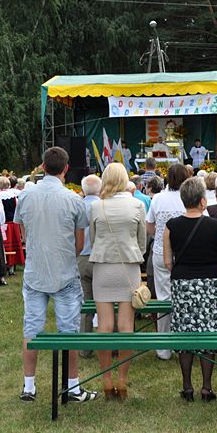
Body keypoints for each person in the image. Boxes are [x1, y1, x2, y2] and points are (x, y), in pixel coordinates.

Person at [15, 147, 98, 403]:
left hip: (35, 271)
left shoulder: (26, 197)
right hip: (64, 273)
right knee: (69, 331)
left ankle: (29, 387)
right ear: (65, 169)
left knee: (31, 329)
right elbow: (79, 242)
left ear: (42, 166)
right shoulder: (73, 199)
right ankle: (72, 387)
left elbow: (22, 234)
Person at [164, 177, 217, 401]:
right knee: (208, 331)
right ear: (202, 201)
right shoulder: (216, 226)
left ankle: (187, 386)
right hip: (209, 281)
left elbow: (167, 262)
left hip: (182, 282)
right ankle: (207, 387)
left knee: (184, 332)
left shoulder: (171, 226)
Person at [89, 163, 147, 399]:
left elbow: (93, 239)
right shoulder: (137, 205)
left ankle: (106, 379)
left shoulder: (95, 206)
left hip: (103, 267)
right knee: (126, 326)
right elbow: (142, 241)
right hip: (128, 268)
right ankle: (122, 380)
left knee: (104, 326)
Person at [146, 164, 193, 360]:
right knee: (186, 297)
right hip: (186, 253)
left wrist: (160, 234)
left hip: (160, 252)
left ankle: (164, 348)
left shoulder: (158, 199)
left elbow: (149, 226)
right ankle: (184, 343)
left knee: (164, 298)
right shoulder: (189, 199)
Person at [78, 175, 102, 357]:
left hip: (81, 257)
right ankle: (113, 345)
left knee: (86, 304)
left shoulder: (77, 206)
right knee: (109, 303)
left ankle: (85, 348)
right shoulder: (104, 207)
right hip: (101, 259)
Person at [0, 176, 24, 275]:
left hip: (2, 224)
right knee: (12, 246)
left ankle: (4, 265)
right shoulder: (13, 196)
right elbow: (18, 210)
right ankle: (11, 268)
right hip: (12, 224)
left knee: (3, 246)